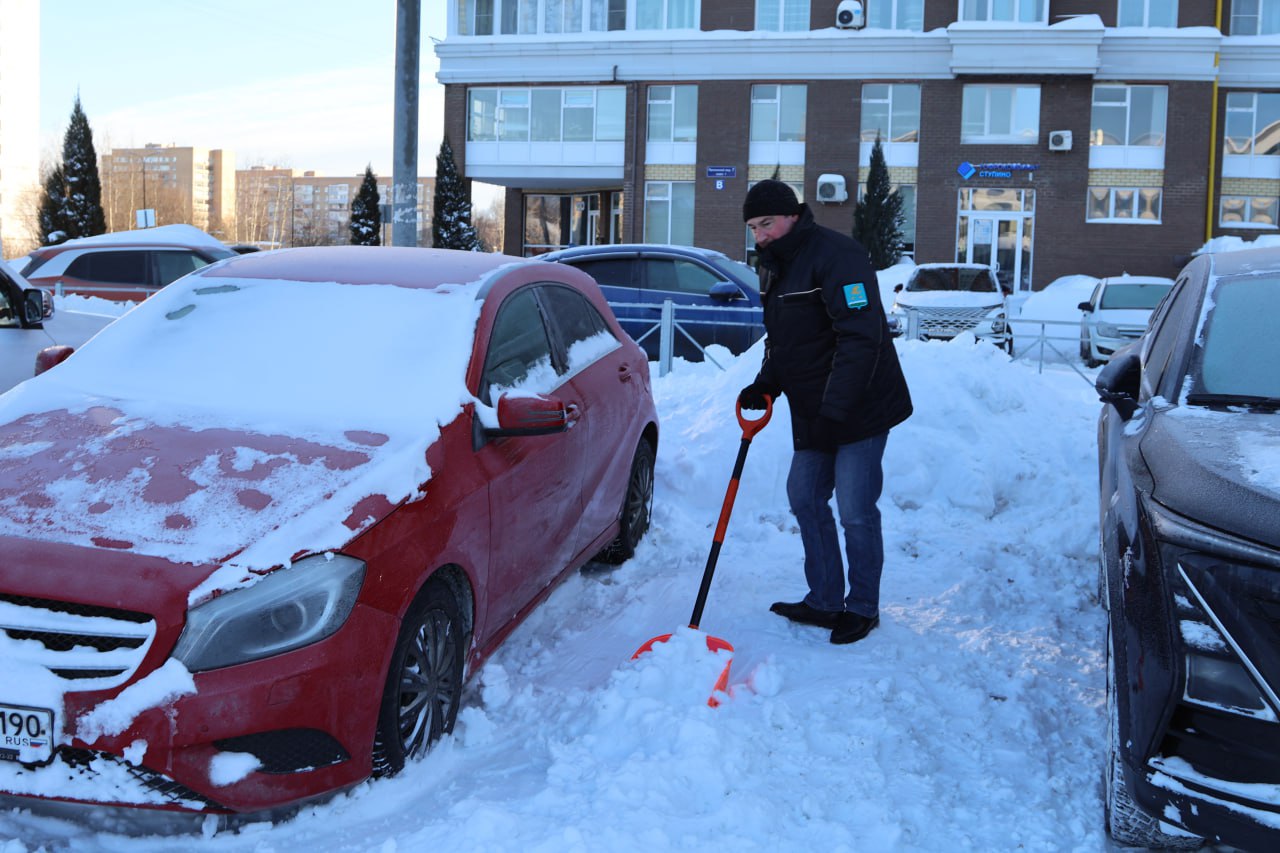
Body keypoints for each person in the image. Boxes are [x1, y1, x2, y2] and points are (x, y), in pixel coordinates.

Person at [738, 180, 912, 645]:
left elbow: (861, 336)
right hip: (817, 409)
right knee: (804, 496)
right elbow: (786, 339)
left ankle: (862, 607)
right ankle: (825, 599)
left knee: (855, 509)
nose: (759, 236)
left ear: (793, 214)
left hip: (861, 404)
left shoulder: (839, 255)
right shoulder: (776, 265)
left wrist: (836, 409)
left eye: (766, 223)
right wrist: (767, 380)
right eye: (753, 227)